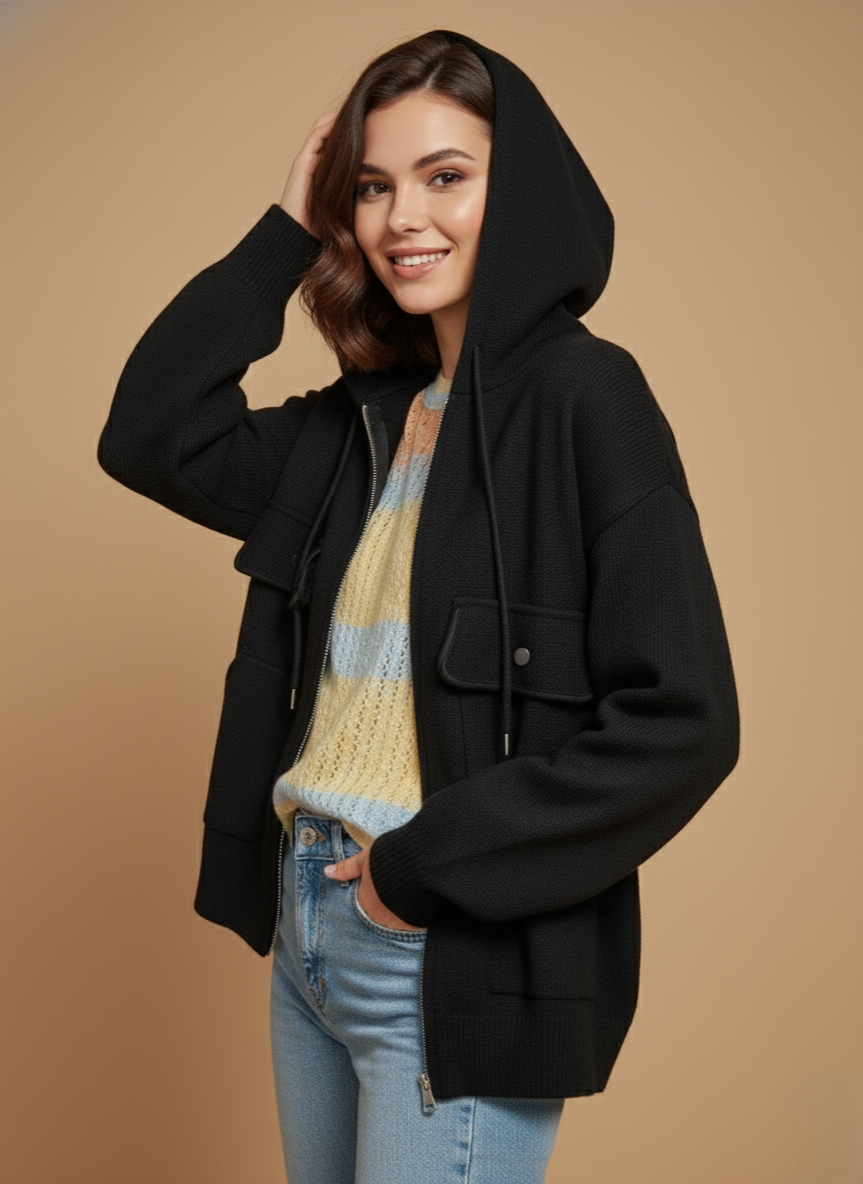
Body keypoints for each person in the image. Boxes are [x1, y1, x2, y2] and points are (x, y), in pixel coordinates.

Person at [97, 28, 739, 1184]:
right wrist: (284, 231)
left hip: (445, 941)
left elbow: (681, 720)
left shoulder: (586, 396)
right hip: (308, 928)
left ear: (518, 187)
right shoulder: (355, 423)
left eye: (446, 176)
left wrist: (419, 869)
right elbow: (149, 432)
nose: (402, 218)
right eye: (372, 186)